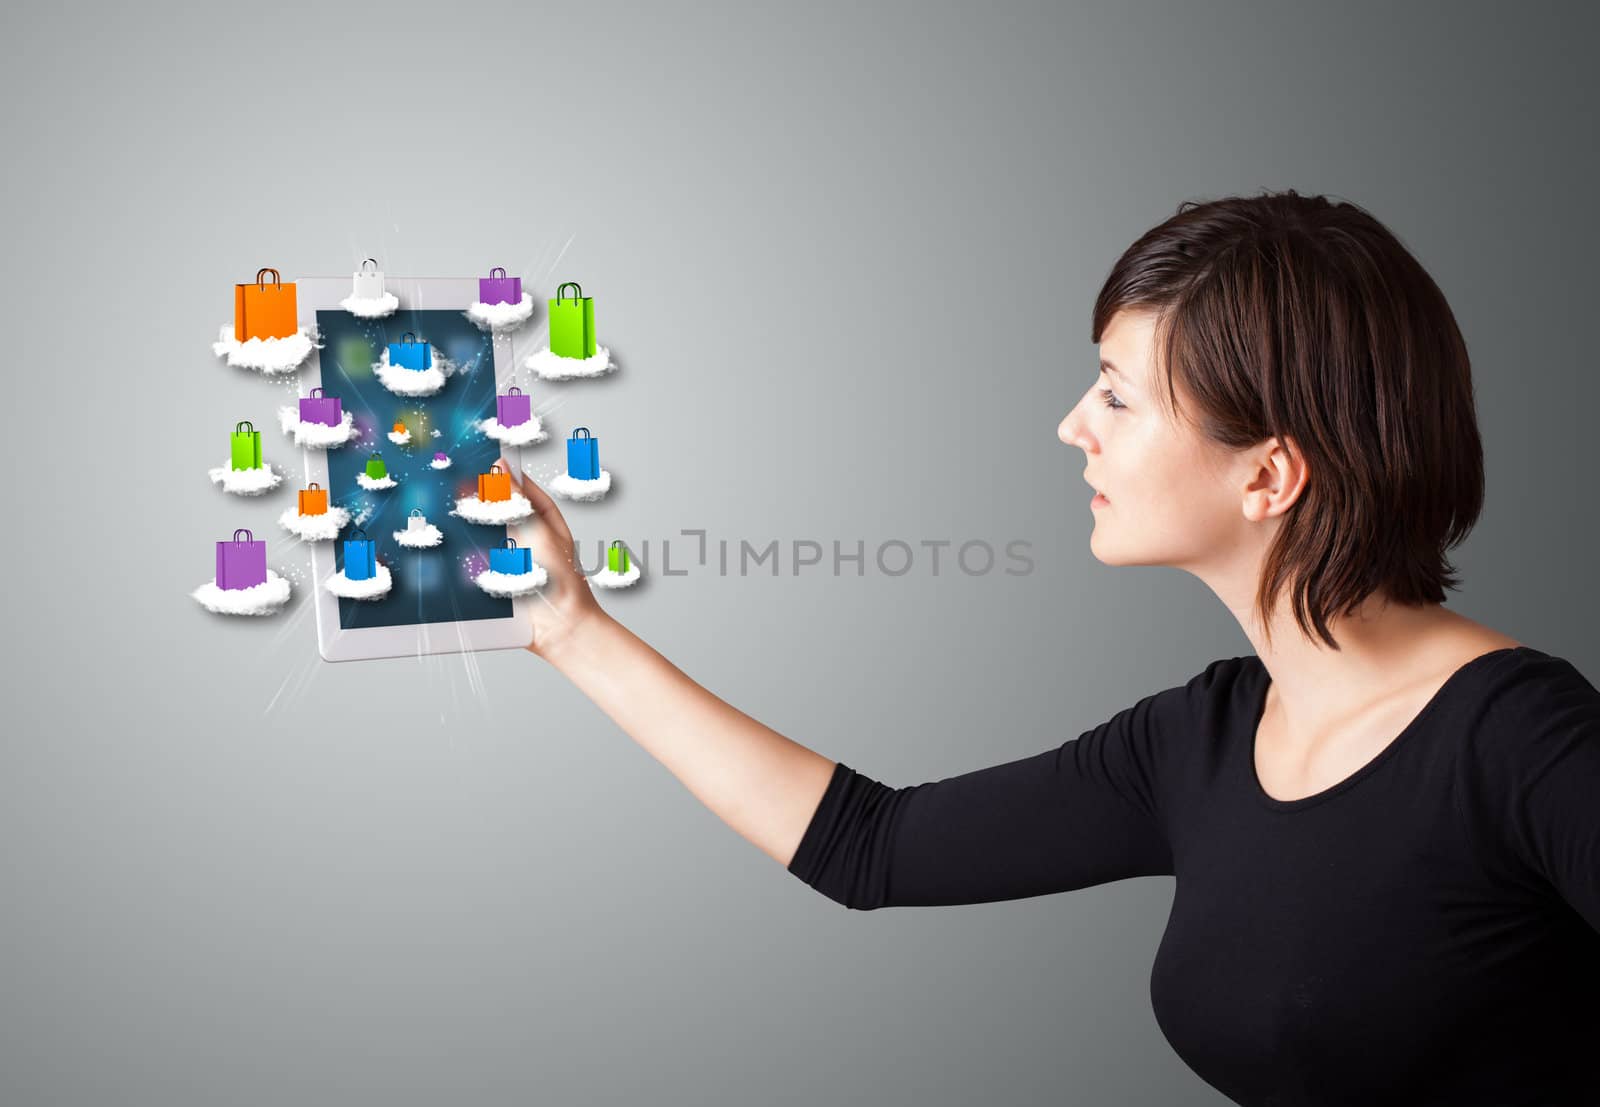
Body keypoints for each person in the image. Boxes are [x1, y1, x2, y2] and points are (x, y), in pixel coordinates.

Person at [495, 189, 1600, 1106]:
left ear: (1267, 474)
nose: (1074, 425)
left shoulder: (1524, 745)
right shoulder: (1204, 738)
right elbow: (870, 847)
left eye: (1118, 397)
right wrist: (573, 631)